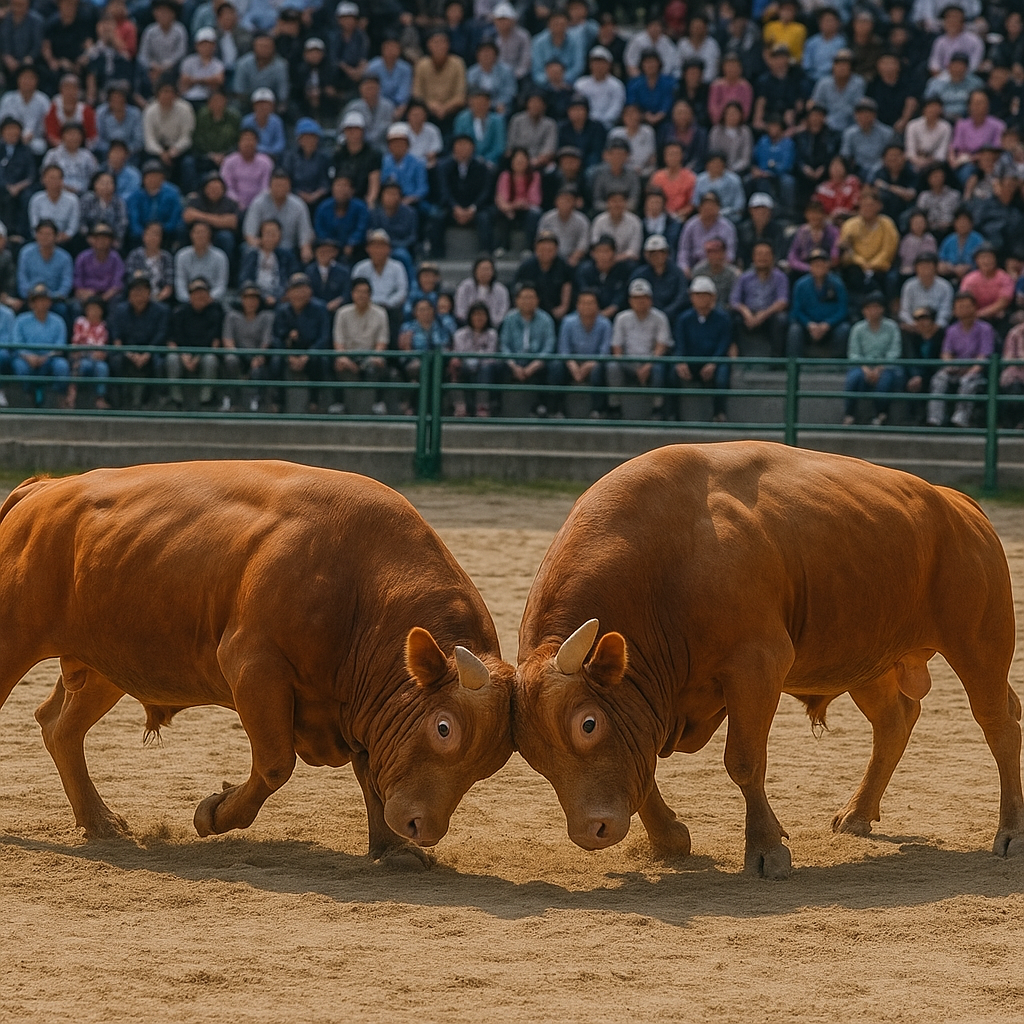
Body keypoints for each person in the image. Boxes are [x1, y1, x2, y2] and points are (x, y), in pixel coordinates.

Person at [926, 290, 995, 427]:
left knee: (968, 381)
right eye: (959, 307)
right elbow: (946, 352)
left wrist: (971, 371)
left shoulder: (985, 328)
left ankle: (960, 419)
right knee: (939, 378)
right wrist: (949, 366)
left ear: (974, 308)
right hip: (956, 368)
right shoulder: (951, 330)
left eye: (966, 306)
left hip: (976, 371)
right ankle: (935, 418)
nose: (963, 310)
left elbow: (984, 355)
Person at [606, 277, 671, 419]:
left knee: (660, 368)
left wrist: (648, 365)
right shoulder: (622, 317)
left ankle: (657, 408)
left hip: (651, 361)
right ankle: (614, 407)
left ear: (650, 299)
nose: (640, 301)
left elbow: (662, 346)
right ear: (630, 300)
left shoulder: (660, 317)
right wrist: (632, 367)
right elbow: (616, 347)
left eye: (644, 298)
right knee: (612, 366)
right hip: (628, 362)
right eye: (636, 298)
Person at [672, 275, 733, 423]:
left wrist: (714, 362)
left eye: (704, 295)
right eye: (697, 295)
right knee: (671, 373)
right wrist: (680, 361)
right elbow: (679, 343)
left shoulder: (723, 318)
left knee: (722, 376)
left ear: (712, 297)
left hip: (714, 360)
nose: (700, 299)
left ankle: (719, 412)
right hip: (691, 360)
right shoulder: (684, 319)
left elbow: (724, 343)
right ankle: (671, 414)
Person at [271, 272, 331, 413]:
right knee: (275, 361)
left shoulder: (320, 308)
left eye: (303, 289)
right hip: (289, 351)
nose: (299, 294)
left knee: (320, 360)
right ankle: (277, 401)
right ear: (288, 293)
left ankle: (315, 401)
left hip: (312, 350)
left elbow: (324, 337)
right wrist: (288, 355)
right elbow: (276, 337)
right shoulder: (282, 310)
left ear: (310, 291)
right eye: (295, 289)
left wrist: (307, 355)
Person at [108, 270, 169, 409]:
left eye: (142, 291)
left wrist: (147, 354)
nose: (138, 296)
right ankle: (119, 402)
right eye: (135, 292)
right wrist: (128, 353)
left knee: (159, 363)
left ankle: (155, 401)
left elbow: (161, 335)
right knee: (115, 361)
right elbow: (117, 337)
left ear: (149, 293)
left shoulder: (161, 311)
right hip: (127, 350)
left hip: (152, 349)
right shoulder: (120, 310)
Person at [331, 275, 389, 416]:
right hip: (349, 354)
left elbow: (382, 342)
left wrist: (374, 357)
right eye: (358, 291)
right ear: (352, 294)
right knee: (337, 362)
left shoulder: (380, 313)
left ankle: (377, 403)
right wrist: (344, 358)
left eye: (365, 292)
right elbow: (338, 342)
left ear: (370, 294)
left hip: (370, 355)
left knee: (380, 363)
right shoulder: (342, 313)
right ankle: (339, 403)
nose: (362, 295)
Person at [842, 291, 903, 425]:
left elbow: (894, 351)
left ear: (882, 309)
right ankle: (849, 414)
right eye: (869, 308)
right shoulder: (857, 329)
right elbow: (853, 353)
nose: (873, 311)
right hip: (862, 366)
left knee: (885, 380)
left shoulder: (892, 327)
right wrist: (865, 368)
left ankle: (880, 414)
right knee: (853, 378)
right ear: (864, 311)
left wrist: (880, 367)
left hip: (886, 366)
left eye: (876, 307)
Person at [165, 276, 225, 410]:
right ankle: (176, 400)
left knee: (210, 360)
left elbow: (215, 342)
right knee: (171, 358)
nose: (199, 296)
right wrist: (183, 355)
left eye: (203, 293)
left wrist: (198, 357)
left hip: (205, 353)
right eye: (195, 293)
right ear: (190, 295)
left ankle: (206, 400)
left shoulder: (216, 312)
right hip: (183, 353)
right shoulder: (179, 313)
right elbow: (172, 340)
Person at [498, 281, 557, 417]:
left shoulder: (546, 319)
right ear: (517, 300)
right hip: (515, 360)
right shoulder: (509, 318)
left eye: (531, 297)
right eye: (524, 298)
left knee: (555, 367)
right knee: (496, 366)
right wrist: (513, 364)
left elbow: (549, 346)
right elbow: (504, 345)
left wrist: (535, 364)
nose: (527, 301)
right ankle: (496, 406)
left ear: (537, 300)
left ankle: (546, 407)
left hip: (537, 360)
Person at [550, 288, 612, 418]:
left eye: (591, 303)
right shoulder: (568, 322)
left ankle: (598, 410)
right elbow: (563, 349)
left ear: (597, 305)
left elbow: (604, 351)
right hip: (572, 362)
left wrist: (590, 364)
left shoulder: (605, 324)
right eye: (583, 303)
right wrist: (572, 365)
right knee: (556, 366)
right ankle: (557, 409)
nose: (587, 306)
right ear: (577, 305)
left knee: (601, 369)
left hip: (594, 362)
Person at [434, 133, 495, 256]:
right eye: (459, 145)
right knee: (436, 217)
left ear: (473, 148)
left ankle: (486, 253)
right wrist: (455, 208)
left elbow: (486, 192)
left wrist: (472, 209)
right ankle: (437, 254)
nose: (463, 149)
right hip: (452, 208)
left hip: (475, 208)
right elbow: (443, 190)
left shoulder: (482, 168)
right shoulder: (443, 167)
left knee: (484, 218)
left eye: (466, 145)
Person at [11, 284, 70, 407]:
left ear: (49, 302)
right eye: (37, 300)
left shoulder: (58, 321)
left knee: (62, 365)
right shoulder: (21, 320)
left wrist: (46, 356)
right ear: (31, 303)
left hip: (50, 359)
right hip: (26, 358)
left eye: (44, 300)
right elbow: (17, 343)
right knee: (20, 366)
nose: (41, 303)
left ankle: (60, 398)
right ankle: (28, 397)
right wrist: (28, 356)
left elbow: (60, 345)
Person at [242, 168, 315, 264]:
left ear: (289, 186)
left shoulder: (298, 205)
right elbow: (250, 233)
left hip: (289, 248)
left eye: (283, 185)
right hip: (263, 246)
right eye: (277, 185)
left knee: (305, 256)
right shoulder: (258, 202)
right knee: (246, 249)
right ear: (270, 186)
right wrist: (260, 245)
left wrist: (306, 248)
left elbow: (305, 232)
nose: (280, 189)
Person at [788, 247, 851, 357]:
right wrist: (809, 324)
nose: (818, 266)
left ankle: (836, 365)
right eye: (815, 263)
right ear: (810, 266)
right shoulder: (800, 285)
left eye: (822, 263)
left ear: (828, 265)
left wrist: (827, 324)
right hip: (808, 326)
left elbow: (843, 309)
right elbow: (796, 310)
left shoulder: (837, 284)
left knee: (844, 329)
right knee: (794, 330)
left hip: (831, 326)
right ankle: (793, 366)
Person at [730, 241, 790, 356]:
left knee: (781, 319)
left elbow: (782, 301)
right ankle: (737, 359)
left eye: (766, 254)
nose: (762, 257)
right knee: (731, 318)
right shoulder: (744, 277)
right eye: (759, 254)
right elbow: (734, 301)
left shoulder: (780, 277)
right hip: (748, 314)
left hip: (769, 314)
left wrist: (763, 314)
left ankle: (776, 360)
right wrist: (746, 312)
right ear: (753, 257)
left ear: (773, 257)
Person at [223, 281, 274, 412]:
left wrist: (259, 356)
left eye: (254, 298)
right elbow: (228, 340)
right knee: (230, 360)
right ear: (241, 299)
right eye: (247, 298)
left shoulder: (267, 316)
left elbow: (266, 341)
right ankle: (230, 399)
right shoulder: (232, 316)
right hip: (238, 354)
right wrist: (237, 354)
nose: (251, 301)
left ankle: (255, 400)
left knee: (259, 367)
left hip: (257, 354)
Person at [351, 229, 409, 340]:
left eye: (382, 246)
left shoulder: (397, 267)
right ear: (368, 249)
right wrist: (369, 303)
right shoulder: (360, 268)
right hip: (365, 306)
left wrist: (388, 303)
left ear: (389, 249)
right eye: (374, 246)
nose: (378, 250)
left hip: (389, 308)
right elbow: (355, 289)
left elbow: (402, 291)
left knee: (395, 316)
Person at [17, 220, 74, 326]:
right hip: (31, 298)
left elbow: (66, 284)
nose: (44, 237)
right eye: (41, 234)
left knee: (64, 310)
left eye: (48, 234)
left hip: (54, 299)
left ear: (56, 237)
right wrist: (34, 294)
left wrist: (48, 297)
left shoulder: (65, 258)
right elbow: (22, 279)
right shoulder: (26, 253)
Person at [449, 301, 499, 418]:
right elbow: (460, 352)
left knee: (486, 368)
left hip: (484, 366)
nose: (479, 318)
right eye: (475, 315)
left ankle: (482, 406)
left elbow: (490, 355)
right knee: (454, 365)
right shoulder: (460, 334)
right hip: (465, 365)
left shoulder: (492, 334)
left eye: (482, 315)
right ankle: (460, 406)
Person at [516, 230, 574, 323]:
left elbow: (567, 285)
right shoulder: (526, 267)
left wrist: (563, 307)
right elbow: (519, 288)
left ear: (556, 249)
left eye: (550, 250)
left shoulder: (563, 266)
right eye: (542, 250)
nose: (546, 253)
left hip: (556, 311)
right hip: (532, 310)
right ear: (536, 249)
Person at [183, 171, 240, 265]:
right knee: (182, 230)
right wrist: (219, 219)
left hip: (219, 235)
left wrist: (201, 216)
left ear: (223, 189)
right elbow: (188, 216)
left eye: (217, 188)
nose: (214, 191)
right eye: (211, 188)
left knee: (226, 237)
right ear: (205, 188)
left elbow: (232, 222)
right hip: (198, 233)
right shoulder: (196, 200)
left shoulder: (230, 203)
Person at [238, 218, 299, 305]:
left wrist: (278, 297)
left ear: (280, 236)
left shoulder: (287, 255)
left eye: (274, 234)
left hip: (280, 297)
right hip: (255, 295)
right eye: (267, 233)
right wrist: (261, 296)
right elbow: (245, 279)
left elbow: (291, 278)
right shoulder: (251, 255)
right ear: (260, 235)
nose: (270, 237)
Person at [677, 191, 737, 278]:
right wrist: (684, 267)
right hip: (695, 269)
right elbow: (684, 250)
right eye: (706, 205)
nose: (709, 208)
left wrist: (719, 265)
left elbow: (730, 252)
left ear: (718, 208)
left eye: (712, 205)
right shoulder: (690, 225)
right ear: (699, 208)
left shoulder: (727, 227)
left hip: (720, 268)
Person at [126, 160, 182, 247]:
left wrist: (161, 230)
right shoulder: (135, 196)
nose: (153, 179)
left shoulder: (173, 193)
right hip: (142, 235)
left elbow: (175, 217)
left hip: (166, 234)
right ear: (143, 179)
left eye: (156, 176)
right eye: (149, 176)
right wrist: (147, 234)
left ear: (163, 178)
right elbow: (134, 220)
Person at [68, 294, 111, 409]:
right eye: (90, 309)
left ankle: (100, 398)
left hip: (97, 358)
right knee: (82, 366)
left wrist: (99, 353)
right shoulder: (80, 322)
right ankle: (72, 397)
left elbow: (102, 345)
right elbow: (77, 341)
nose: (93, 312)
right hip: (81, 356)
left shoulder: (104, 326)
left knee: (102, 368)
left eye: (96, 309)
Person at [313, 173, 368, 261]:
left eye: (345, 185)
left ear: (352, 190)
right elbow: (319, 228)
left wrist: (352, 243)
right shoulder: (323, 207)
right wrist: (329, 244)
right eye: (338, 185)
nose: (341, 189)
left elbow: (361, 229)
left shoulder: (360, 207)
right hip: (328, 246)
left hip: (354, 248)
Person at [904, 305, 946, 418]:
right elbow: (910, 357)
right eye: (918, 320)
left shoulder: (942, 336)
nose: (921, 323)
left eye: (925, 319)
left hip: (934, 371)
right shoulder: (912, 337)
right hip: (917, 373)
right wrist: (916, 375)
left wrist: (922, 376)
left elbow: (941, 359)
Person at [174, 221, 229, 304]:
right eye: (197, 232)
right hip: (189, 302)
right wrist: (191, 299)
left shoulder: (220, 256)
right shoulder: (182, 255)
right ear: (191, 235)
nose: (200, 236)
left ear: (209, 235)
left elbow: (221, 285)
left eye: (203, 233)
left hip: (212, 301)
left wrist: (207, 299)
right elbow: (180, 283)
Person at [899, 252, 954, 334]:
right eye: (921, 267)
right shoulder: (909, 285)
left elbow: (946, 310)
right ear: (916, 268)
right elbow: (905, 310)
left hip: (936, 324)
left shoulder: (945, 286)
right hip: (915, 323)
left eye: (928, 267)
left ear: (935, 268)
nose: (925, 270)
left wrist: (937, 325)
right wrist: (913, 324)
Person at [536, 185, 590, 267]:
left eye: (568, 200)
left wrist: (575, 257)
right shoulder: (547, 218)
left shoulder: (582, 220)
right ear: (556, 201)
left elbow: (583, 243)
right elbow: (541, 238)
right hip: (551, 256)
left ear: (574, 202)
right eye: (562, 200)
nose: (565, 203)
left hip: (573, 257)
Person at [73, 222, 124, 305]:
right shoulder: (82, 257)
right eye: (97, 238)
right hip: (87, 295)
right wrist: (86, 295)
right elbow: (78, 283)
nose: (101, 241)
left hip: (108, 296)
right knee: (75, 306)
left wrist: (103, 298)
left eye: (105, 238)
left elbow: (117, 284)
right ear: (91, 239)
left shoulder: (116, 258)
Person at [124, 220, 174, 305]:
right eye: (150, 234)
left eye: (156, 234)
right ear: (144, 236)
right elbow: (129, 280)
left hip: (159, 298)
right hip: (137, 298)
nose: (153, 237)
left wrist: (158, 298)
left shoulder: (166, 257)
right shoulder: (134, 255)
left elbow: (168, 285)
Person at [454, 255, 510, 327]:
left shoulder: (501, 290)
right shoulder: (465, 287)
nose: (484, 272)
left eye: (488, 269)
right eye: (482, 269)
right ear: (475, 270)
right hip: (467, 326)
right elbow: (460, 310)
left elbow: (503, 312)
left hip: (493, 327)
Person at [305, 237, 350, 315]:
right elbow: (307, 291)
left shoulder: (343, 271)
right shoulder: (309, 271)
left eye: (328, 251)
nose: (324, 254)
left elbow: (346, 292)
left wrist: (337, 302)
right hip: (314, 310)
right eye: (321, 251)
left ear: (334, 253)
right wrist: (321, 305)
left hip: (337, 309)